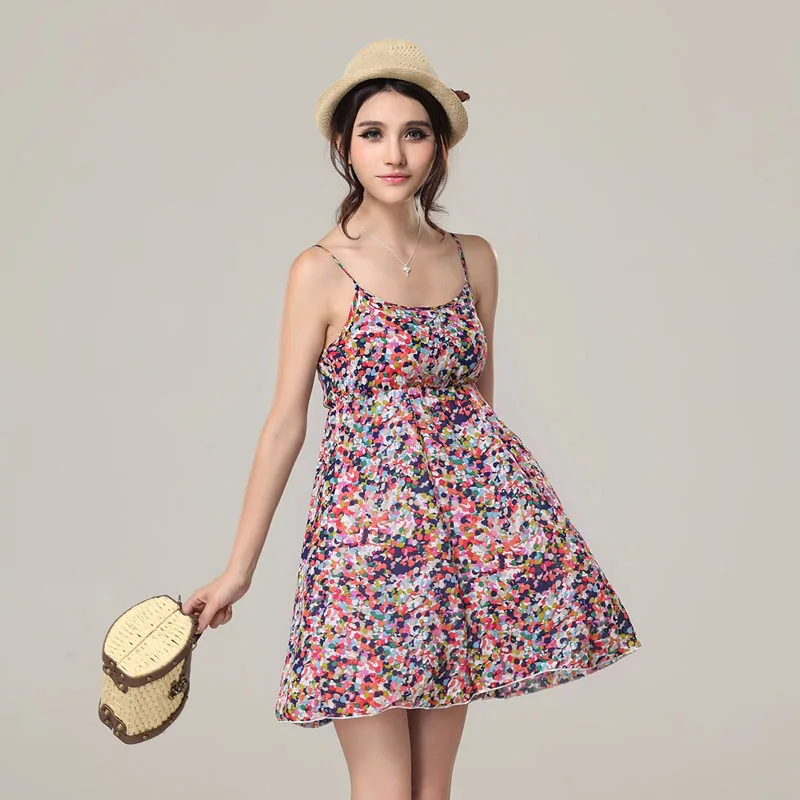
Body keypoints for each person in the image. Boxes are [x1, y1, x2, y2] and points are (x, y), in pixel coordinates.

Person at [183, 38, 641, 800]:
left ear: (439, 147)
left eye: (414, 132)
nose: (393, 153)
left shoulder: (474, 258)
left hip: (457, 550)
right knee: (386, 787)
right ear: (345, 145)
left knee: (433, 790)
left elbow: (480, 411)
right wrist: (239, 571)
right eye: (373, 133)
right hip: (363, 551)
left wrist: (498, 548)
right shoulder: (319, 270)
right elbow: (285, 425)